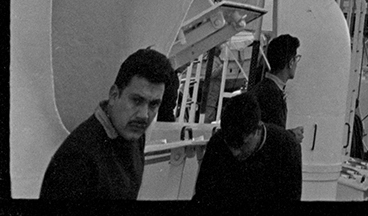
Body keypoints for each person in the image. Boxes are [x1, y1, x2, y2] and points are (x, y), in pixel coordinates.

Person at [39, 46, 174, 201]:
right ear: (114, 95)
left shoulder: (135, 138)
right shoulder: (77, 159)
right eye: (136, 101)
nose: (144, 115)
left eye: (153, 104)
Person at [192, 91, 302, 204]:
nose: (235, 152)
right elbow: (203, 194)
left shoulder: (287, 148)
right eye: (230, 144)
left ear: (258, 129)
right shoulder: (218, 143)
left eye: (242, 144)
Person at [254, 34, 305, 143]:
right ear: (291, 63)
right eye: (296, 59)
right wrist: (291, 136)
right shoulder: (273, 94)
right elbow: (272, 138)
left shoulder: (262, 87)